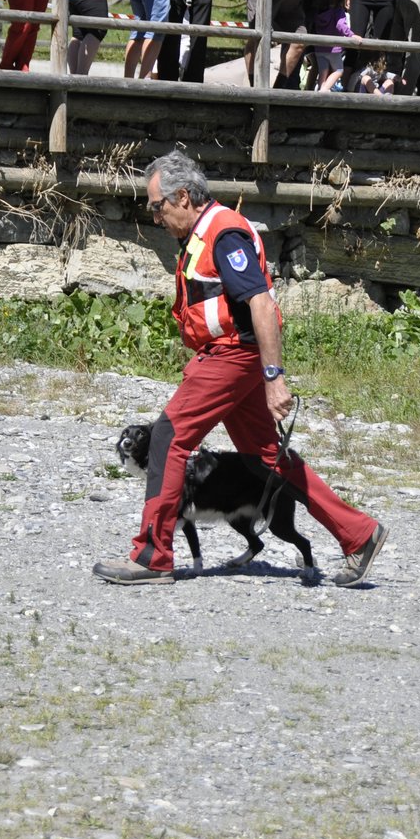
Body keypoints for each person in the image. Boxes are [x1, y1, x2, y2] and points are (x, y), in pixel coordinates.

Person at [91, 150, 390, 587]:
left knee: (167, 438)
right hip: (231, 356)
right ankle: (359, 534)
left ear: (185, 196)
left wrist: (275, 378)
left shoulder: (223, 234)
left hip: (234, 356)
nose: (155, 216)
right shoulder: (207, 233)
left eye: (158, 206)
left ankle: (153, 557)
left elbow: (262, 304)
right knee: (268, 459)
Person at [310, 0, 354, 90]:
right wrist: (351, 35)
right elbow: (340, 25)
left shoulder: (318, 12)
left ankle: (320, 92)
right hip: (334, 48)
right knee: (339, 71)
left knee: (323, 73)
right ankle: (324, 90)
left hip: (319, 47)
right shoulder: (338, 11)